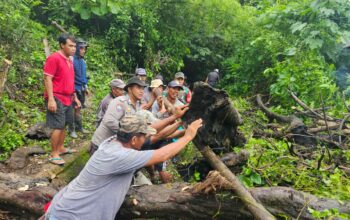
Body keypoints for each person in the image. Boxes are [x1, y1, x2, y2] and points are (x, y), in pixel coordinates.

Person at [44, 114, 203, 220]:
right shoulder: (122, 156)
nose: (146, 138)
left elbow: (152, 131)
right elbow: (162, 155)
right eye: (143, 136)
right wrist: (188, 135)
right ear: (134, 139)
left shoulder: (113, 141)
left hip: (65, 207)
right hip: (74, 216)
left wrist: (175, 117)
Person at [89, 77, 188, 155]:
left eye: (143, 88)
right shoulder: (120, 102)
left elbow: (153, 125)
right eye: (138, 88)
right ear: (129, 89)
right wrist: (130, 133)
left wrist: (176, 120)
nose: (141, 91)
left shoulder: (136, 106)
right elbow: (109, 121)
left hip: (113, 147)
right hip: (100, 145)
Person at [43, 34, 80, 166]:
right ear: (62, 45)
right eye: (70, 45)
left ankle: (61, 148)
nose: (74, 48)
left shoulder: (70, 59)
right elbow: (48, 78)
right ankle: (54, 154)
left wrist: (75, 96)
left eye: (75, 46)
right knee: (58, 126)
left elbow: (70, 80)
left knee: (64, 124)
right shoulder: (54, 58)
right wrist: (51, 99)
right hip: (57, 97)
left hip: (68, 97)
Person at [69, 38, 89, 138]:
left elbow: (83, 76)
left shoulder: (83, 61)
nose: (83, 50)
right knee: (72, 109)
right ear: (77, 49)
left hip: (81, 88)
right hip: (73, 89)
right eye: (81, 49)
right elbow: (70, 77)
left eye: (84, 49)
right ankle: (71, 129)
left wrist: (86, 87)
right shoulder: (71, 60)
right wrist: (73, 92)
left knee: (78, 108)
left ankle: (79, 127)